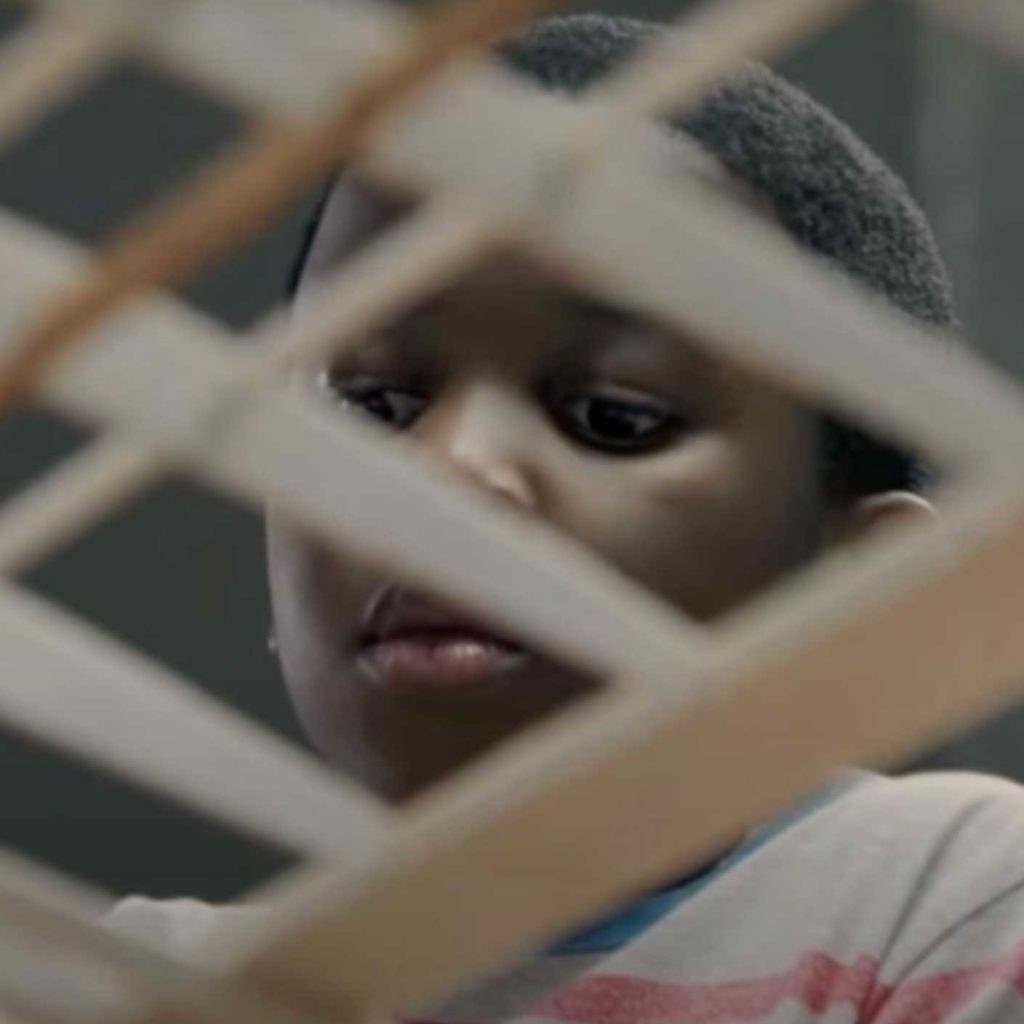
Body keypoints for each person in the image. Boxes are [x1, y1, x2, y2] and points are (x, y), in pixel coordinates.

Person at [110, 14, 1024, 1022]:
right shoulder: (136, 977)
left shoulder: (954, 892)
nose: (444, 474)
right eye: (373, 405)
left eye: (611, 417)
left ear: (862, 597)